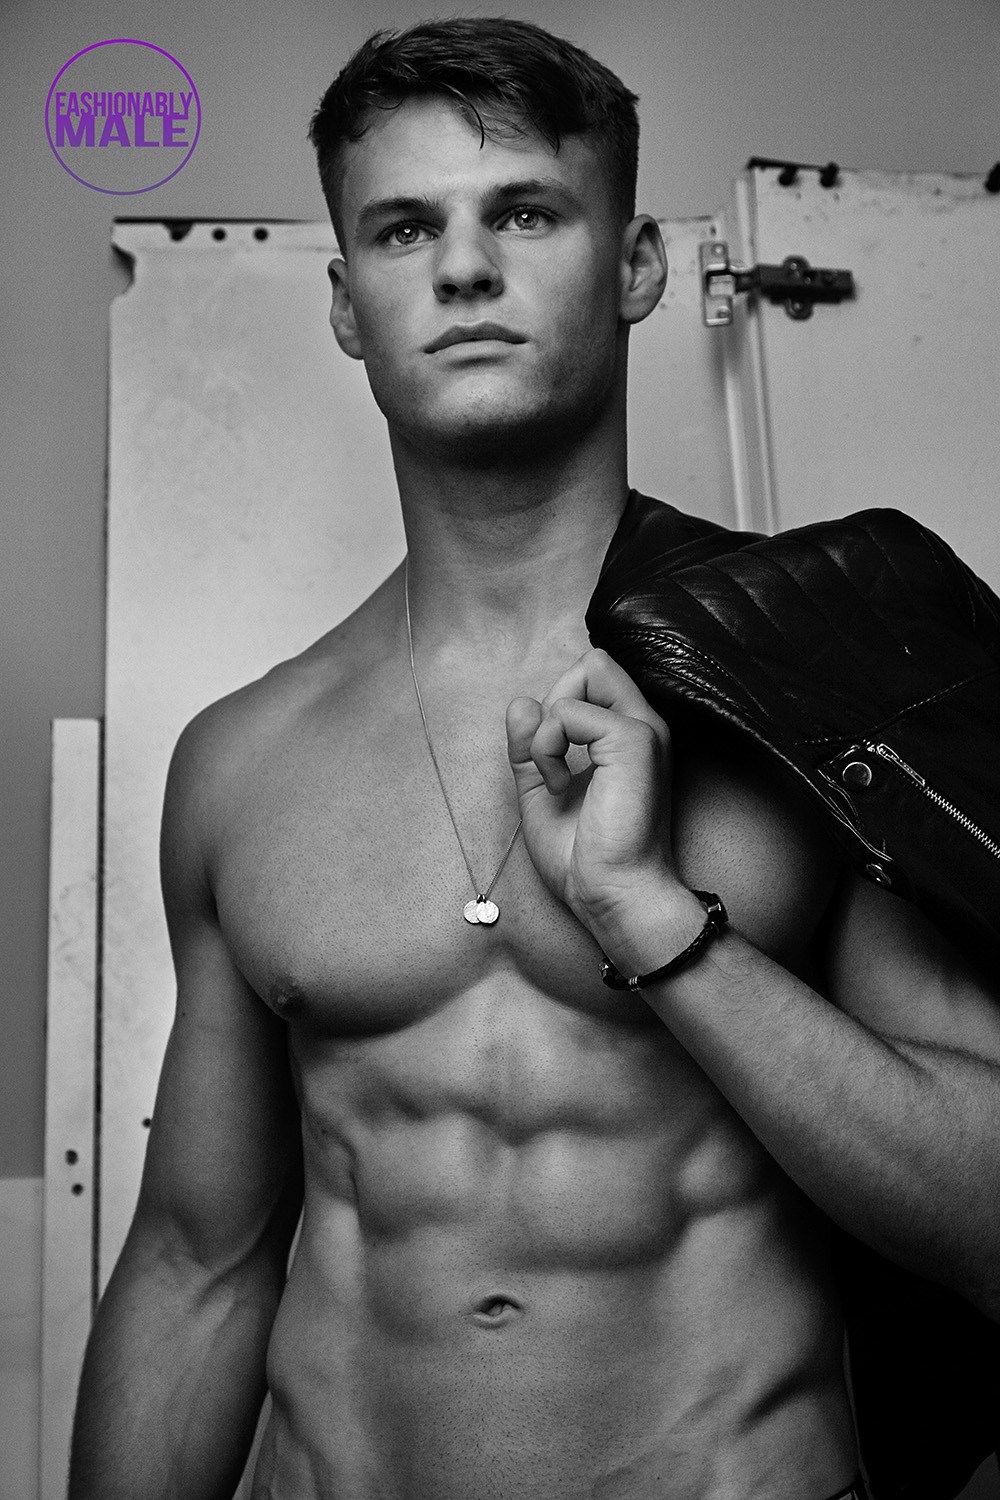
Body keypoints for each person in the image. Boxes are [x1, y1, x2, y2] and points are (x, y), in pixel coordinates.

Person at [69, 18, 1000, 1499]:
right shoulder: (242, 761)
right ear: (347, 304)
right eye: (403, 228)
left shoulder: (821, 674)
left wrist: (657, 922)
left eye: (523, 212)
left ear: (635, 266)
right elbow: (195, 1270)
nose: (462, 268)